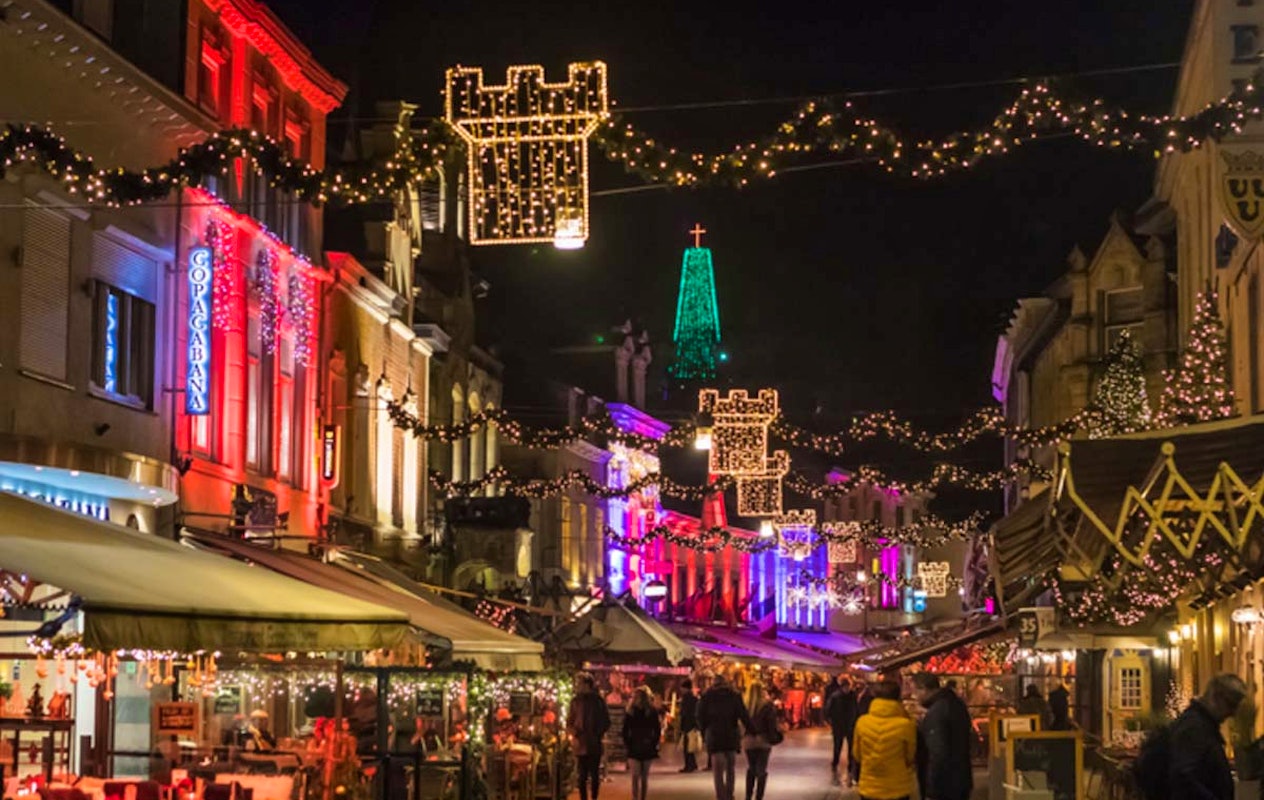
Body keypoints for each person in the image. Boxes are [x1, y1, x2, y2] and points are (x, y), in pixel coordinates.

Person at [1169, 674, 1248, 800]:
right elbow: (1184, 778)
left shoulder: (1202, 725)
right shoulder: (1194, 727)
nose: (1233, 713)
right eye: (1231, 704)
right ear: (1215, 697)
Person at [911, 673, 973, 800]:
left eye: (915, 691)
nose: (913, 696)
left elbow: (937, 753)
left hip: (945, 785)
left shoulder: (937, 711)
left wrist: (931, 790)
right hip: (961, 777)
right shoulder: (955, 703)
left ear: (923, 689)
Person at [852, 680, 918, 800]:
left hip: (869, 786)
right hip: (898, 786)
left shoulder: (862, 722)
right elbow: (910, 756)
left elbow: (857, 754)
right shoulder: (906, 725)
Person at [698, 674, 753, 800]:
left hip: (714, 737)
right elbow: (743, 715)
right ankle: (729, 795)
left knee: (717, 771)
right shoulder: (734, 696)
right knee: (730, 768)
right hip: (731, 737)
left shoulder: (707, 697)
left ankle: (721, 796)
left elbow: (700, 716)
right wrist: (752, 730)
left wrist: (704, 732)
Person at [567, 673, 611, 800]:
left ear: (587, 684)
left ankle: (594, 797)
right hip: (580, 743)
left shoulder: (598, 701)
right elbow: (570, 721)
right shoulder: (575, 701)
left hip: (593, 743)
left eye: (579, 683)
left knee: (594, 774)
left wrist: (597, 733)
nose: (577, 686)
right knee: (582, 776)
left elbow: (605, 721)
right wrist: (574, 733)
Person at [743, 684, 782, 800]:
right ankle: (759, 797)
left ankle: (748, 796)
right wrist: (775, 737)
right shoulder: (767, 706)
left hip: (748, 741)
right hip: (763, 740)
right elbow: (771, 725)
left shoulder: (746, 706)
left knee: (751, 767)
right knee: (761, 770)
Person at [622, 687, 662, 800]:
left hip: (647, 746)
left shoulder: (651, 711)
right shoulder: (631, 712)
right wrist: (627, 743)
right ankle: (635, 797)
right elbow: (625, 730)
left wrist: (654, 742)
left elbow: (657, 729)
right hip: (634, 746)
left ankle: (642, 797)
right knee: (635, 775)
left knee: (644, 776)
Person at [826, 676, 858, 781]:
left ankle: (850, 764)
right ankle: (835, 762)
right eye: (846, 686)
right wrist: (830, 720)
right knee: (837, 746)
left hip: (848, 725)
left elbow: (855, 709)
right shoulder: (836, 696)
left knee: (850, 747)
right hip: (839, 725)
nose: (847, 689)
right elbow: (828, 709)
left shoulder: (852, 696)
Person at [679, 678, 701, 773]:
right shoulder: (695, 698)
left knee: (687, 746)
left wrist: (682, 725)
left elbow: (684, 713)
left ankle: (689, 765)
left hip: (688, 725)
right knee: (691, 746)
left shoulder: (686, 699)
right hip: (693, 724)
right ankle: (693, 764)